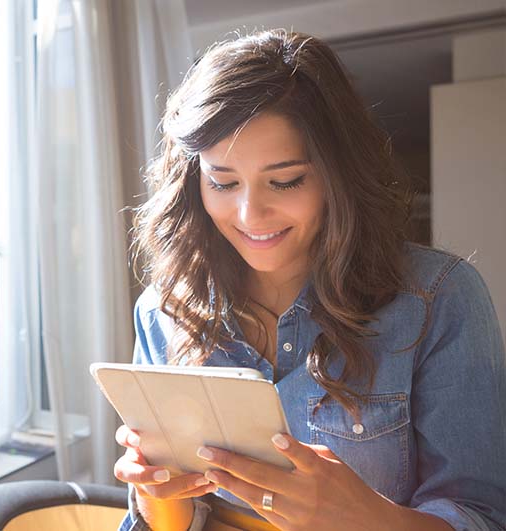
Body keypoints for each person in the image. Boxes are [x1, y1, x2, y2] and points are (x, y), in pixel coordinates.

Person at [114, 29, 506, 531]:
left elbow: (483, 517)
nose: (250, 214)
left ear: (337, 174)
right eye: (222, 182)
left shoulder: (437, 299)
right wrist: (154, 493)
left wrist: (366, 518)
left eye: (285, 180)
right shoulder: (165, 309)